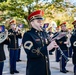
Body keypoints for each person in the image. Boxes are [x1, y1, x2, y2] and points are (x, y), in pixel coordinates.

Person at [22, 10, 58, 75]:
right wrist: (47, 48)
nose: (41, 23)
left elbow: (48, 48)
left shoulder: (43, 33)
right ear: (32, 23)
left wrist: (53, 46)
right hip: (35, 70)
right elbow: (31, 53)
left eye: (41, 21)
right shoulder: (28, 35)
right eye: (38, 21)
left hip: (46, 69)